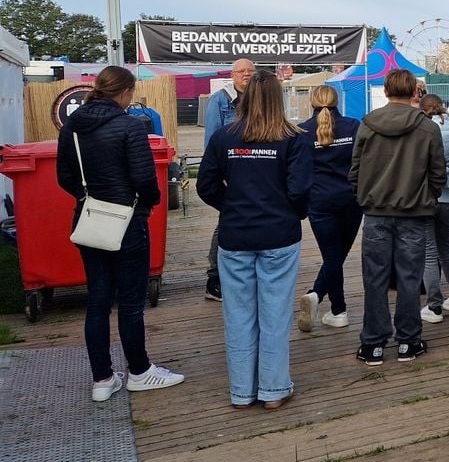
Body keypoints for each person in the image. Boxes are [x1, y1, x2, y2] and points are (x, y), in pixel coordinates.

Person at [57, 66, 185, 403]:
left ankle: (102, 379)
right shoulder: (130, 125)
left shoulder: (72, 126)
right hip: (126, 219)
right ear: (126, 92)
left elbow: (64, 176)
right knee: (130, 302)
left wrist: (88, 197)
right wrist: (147, 205)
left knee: (98, 300)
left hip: (88, 218)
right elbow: (145, 178)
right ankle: (139, 372)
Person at [198, 71, 310, 409]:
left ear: (244, 99)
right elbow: (300, 190)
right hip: (279, 234)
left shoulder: (224, 137)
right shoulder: (294, 139)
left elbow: (205, 186)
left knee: (238, 315)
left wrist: (231, 206)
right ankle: (273, 390)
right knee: (275, 314)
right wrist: (289, 212)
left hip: (236, 235)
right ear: (280, 99)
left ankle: (242, 391)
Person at [349, 69, 446, 365]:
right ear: (414, 92)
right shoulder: (428, 128)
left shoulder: (368, 124)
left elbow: (355, 170)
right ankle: (408, 341)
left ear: (386, 91)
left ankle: (373, 343)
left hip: (376, 211)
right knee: (410, 278)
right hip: (413, 212)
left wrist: (366, 195)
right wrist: (427, 197)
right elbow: (438, 173)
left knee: (375, 278)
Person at [296, 85, 362, 331]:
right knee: (337, 256)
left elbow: (298, 170)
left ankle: (334, 306)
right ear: (338, 101)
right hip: (351, 199)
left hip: (319, 201)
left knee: (332, 256)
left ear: (311, 102)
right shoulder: (353, 127)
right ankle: (334, 308)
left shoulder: (302, 131)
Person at [202, 58, 256, 302]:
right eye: (241, 71)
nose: (246, 74)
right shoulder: (220, 100)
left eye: (250, 71)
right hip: (231, 172)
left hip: (257, 169)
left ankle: (244, 273)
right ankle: (214, 278)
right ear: (232, 74)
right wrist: (218, 175)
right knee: (226, 219)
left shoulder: (260, 97)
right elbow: (212, 141)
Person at [418, 94, 449, 323]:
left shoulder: (422, 129)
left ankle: (434, 305)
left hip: (427, 197)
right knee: (445, 248)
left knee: (429, 253)